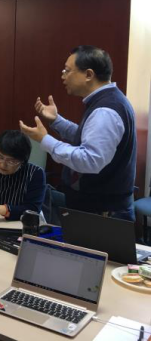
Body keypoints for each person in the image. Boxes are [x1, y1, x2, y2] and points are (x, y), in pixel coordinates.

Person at [20, 45, 136, 221]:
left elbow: (90, 160)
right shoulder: (108, 101)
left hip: (103, 212)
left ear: (88, 74)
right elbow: (87, 138)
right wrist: (56, 120)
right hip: (98, 206)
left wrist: (45, 140)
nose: (63, 76)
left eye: (67, 71)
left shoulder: (105, 110)